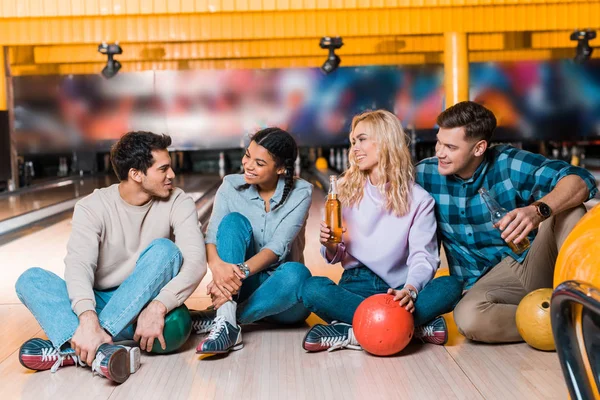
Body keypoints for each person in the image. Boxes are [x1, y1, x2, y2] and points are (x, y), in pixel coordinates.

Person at [15, 131, 207, 383]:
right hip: (100, 303)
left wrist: (158, 306)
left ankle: (83, 346)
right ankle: (101, 347)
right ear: (136, 174)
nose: (171, 175)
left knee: (166, 251)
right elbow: (79, 265)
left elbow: (195, 263)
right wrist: (87, 317)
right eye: (163, 169)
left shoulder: (178, 201)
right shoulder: (92, 206)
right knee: (30, 280)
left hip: (142, 306)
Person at [416, 101, 598, 343]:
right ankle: (565, 325)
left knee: (569, 209)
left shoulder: (508, 163)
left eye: (450, 146)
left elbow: (581, 180)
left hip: (528, 264)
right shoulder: (425, 175)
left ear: (479, 148)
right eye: (438, 142)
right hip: (483, 288)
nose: (439, 152)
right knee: (469, 318)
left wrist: (538, 210)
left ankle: (587, 307)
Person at [299, 110, 463, 352]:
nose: (354, 148)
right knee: (311, 289)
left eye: (362, 139)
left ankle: (353, 331)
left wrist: (410, 289)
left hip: (399, 289)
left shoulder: (419, 199)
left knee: (450, 286)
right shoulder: (344, 191)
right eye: (353, 141)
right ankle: (408, 327)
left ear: (385, 141)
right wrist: (331, 245)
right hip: (357, 282)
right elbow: (335, 256)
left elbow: (424, 256)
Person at [192, 127, 313, 354]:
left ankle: (221, 318)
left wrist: (236, 272)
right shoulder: (230, 186)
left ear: (280, 168)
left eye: (259, 163)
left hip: (284, 296)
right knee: (232, 222)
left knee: (298, 274)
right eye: (247, 155)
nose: (247, 165)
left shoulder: (301, 193)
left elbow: (278, 247)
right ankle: (227, 324)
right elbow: (212, 236)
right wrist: (218, 269)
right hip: (239, 289)